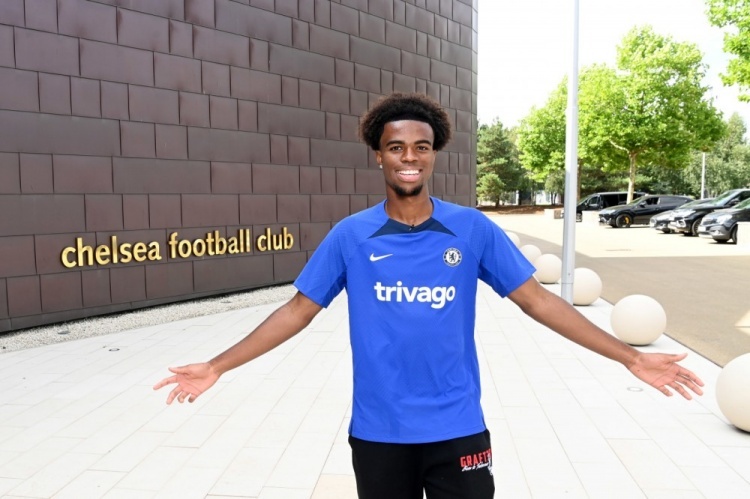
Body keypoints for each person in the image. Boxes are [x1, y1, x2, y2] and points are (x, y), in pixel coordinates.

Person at [154, 92, 704, 498]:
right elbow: (298, 310)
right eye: (395, 147)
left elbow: (539, 302)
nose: (409, 157)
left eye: (421, 146)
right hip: (379, 430)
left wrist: (630, 357)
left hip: (457, 426)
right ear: (379, 156)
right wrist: (217, 366)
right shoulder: (351, 235)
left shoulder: (472, 229)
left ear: (434, 153)